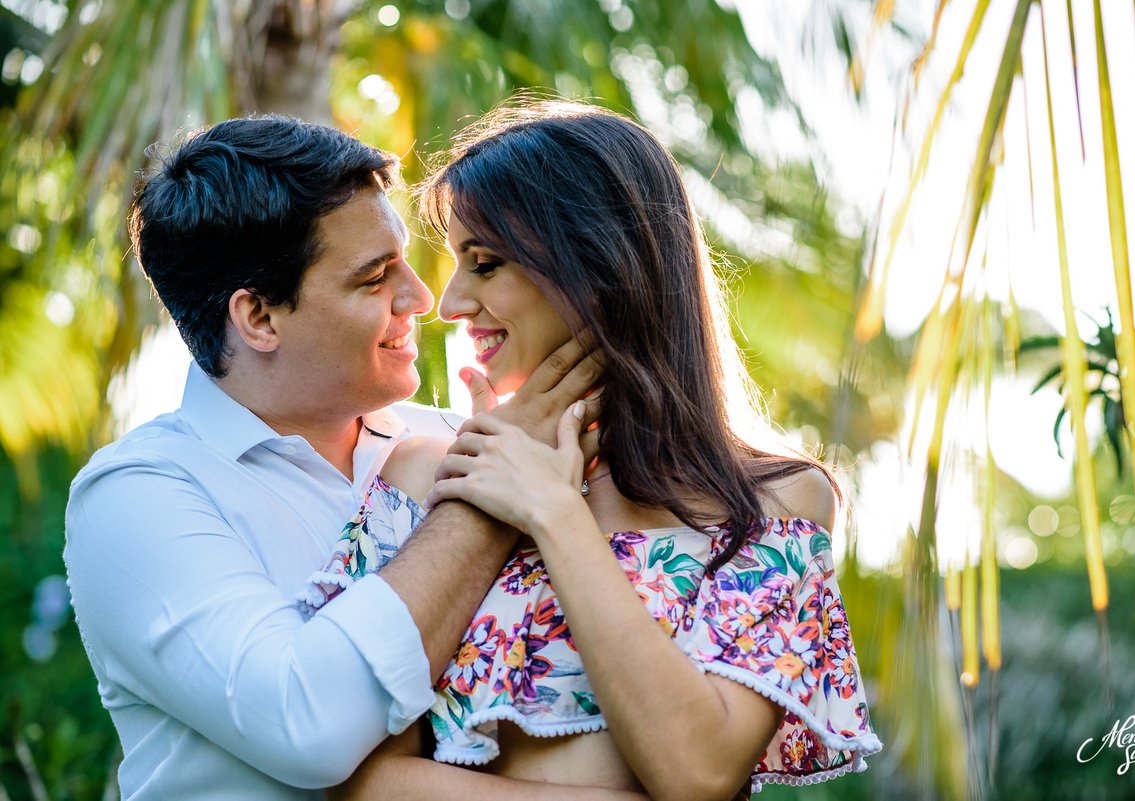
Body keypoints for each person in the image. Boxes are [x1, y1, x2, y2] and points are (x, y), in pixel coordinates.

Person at [311, 101, 881, 800]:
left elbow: (698, 770)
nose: (451, 302)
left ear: (599, 268)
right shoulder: (428, 477)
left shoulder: (773, 502)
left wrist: (553, 511)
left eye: (486, 263)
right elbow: (349, 774)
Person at [63, 115, 641, 800]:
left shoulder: (465, 434)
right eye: (374, 278)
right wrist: (487, 494)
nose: (423, 299)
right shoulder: (137, 497)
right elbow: (307, 724)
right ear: (260, 319)